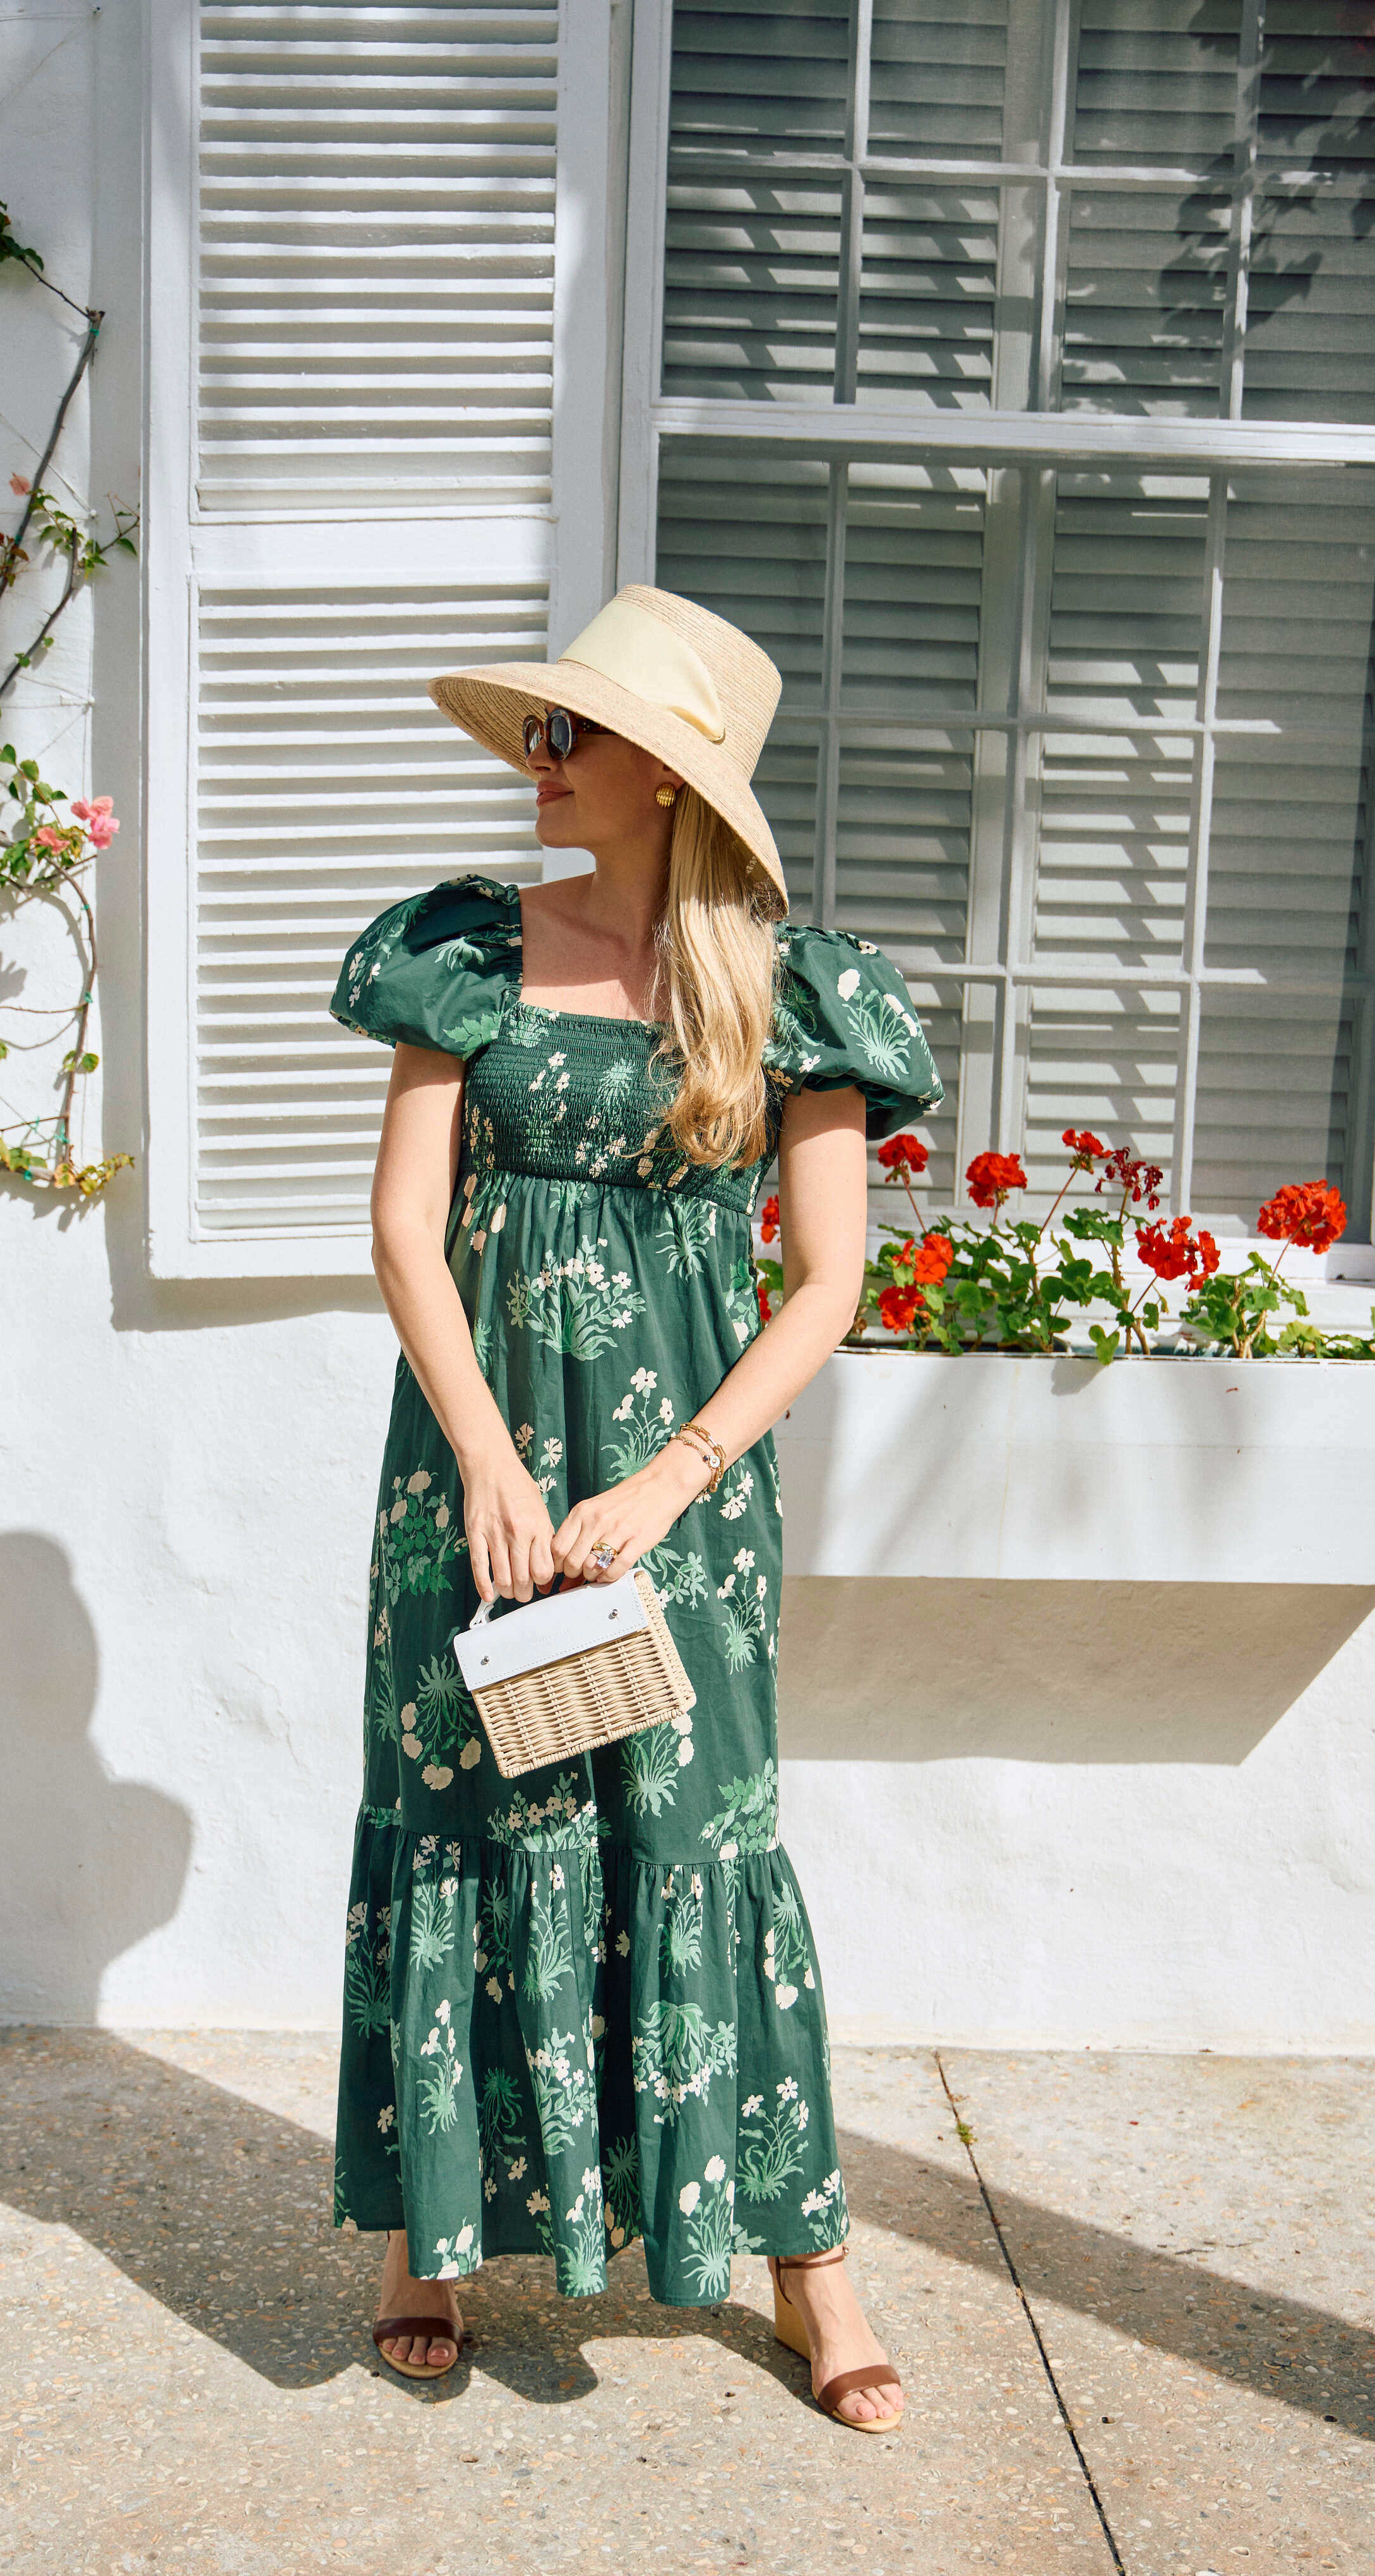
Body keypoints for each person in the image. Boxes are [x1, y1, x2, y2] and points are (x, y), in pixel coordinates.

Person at [330, 585, 943, 2431]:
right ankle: (427, 2242)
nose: (541, 756)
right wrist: (499, 1470)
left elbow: (824, 1283)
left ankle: (806, 2263)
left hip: (686, 1509)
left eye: (571, 732)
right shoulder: (466, 951)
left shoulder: (795, 990)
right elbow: (402, 1232)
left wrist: (668, 1485)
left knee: (703, 1841)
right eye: (541, 726)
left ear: (668, 776)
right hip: (478, 1491)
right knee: (461, 1811)